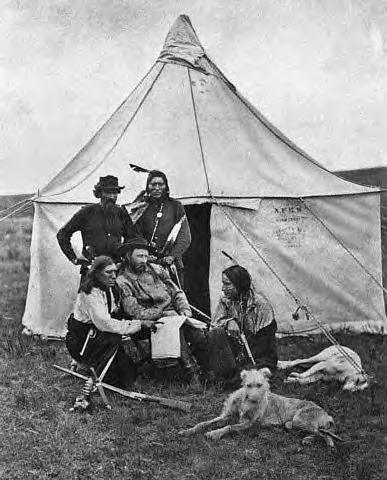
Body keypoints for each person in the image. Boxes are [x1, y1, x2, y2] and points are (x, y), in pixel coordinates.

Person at [115, 237, 209, 383]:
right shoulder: (123, 281)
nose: (144, 260)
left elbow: (176, 292)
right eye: (139, 256)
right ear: (128, 256)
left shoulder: (156, 270)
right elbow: (134, 312)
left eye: (146, 256)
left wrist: (184, 310)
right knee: (176, 329)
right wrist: (162, 312)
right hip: (148, 322)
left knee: (198, 333)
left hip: (174, 315)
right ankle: (191, 371)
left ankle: (208, 369)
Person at [65, 255, 144, 393]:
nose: (114, 276)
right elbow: (104, 323)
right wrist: (138, 324)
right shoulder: (89, 293)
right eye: (108, 272)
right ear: (96, 273)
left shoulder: (109, 289)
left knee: (128, 373)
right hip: (82, 342)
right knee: (114, 340)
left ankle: (103, 367)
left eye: (115, 271)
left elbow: (114, 314)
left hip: (98, 338)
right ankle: (92, 370)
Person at [209, 265, 278, 380]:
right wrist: (230, 322)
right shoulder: (226, 300)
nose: (222, 288)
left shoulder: (261, 306)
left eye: (227, 284)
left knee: (241, 378)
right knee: (216, 334)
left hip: (259, 354)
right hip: (238, 352)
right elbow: (214, 325)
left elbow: (264, 345)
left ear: (239, 284)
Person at [57, 175, 136, 267]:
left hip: (115, 268)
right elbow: (63, 234)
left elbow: (132, 237)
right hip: (92, 268)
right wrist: (73, 257)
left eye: (115, 193)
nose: (111, 196)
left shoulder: (121, 212)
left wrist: (124, 257)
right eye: (107, 192)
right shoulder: (87, 212)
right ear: (99, 193)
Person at [129, 170, 191, 284]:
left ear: (166, 186)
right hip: (146, 262)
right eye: (153, 184)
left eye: (160, 184)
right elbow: (135, 234)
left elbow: (185, 236)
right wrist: (146, 254)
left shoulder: (175, 206)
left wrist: (172, 256)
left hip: (171, 264)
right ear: (148, 186)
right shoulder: (141, 207)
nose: (157, 188)